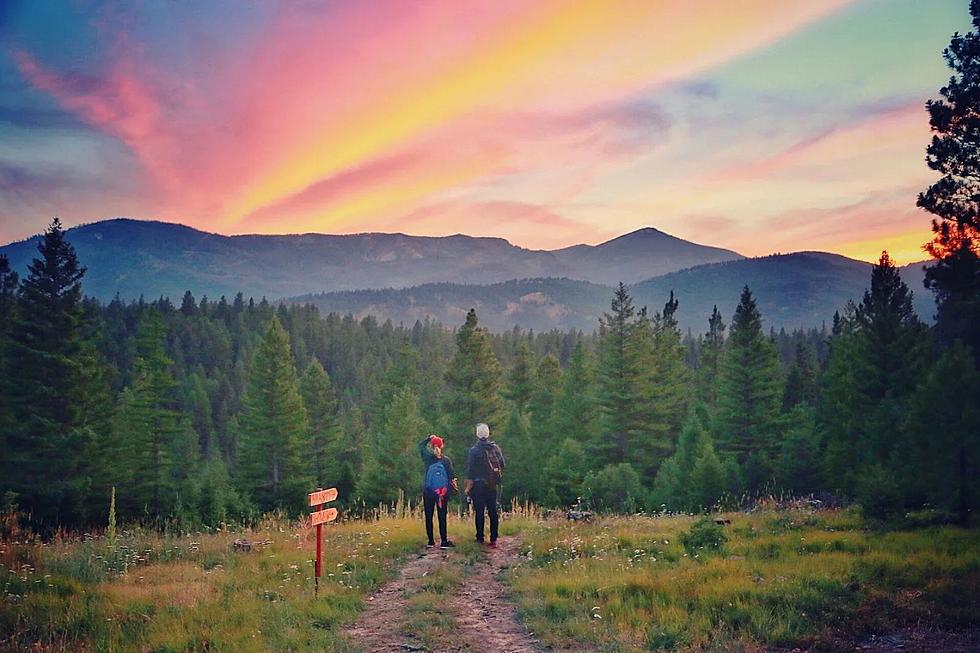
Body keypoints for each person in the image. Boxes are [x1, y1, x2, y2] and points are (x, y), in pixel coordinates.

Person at [464, 423, 506, 547]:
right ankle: (493, 538)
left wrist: (468, 487)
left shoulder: (474, 450)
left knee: (480, 512)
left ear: (477, 434)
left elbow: (470, 471)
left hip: (478, 485)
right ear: (488, 434)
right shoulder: (495, 448)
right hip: (492, 485)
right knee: (493, 511)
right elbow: (502, 464)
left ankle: (480, 538)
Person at [419, 434, 458, 549]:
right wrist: (453, 489)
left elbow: (420, 446)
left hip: (429, 491)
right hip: (442, 493)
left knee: (429, 515)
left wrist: (429, 438)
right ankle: (444, 541)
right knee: (442, 516)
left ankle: (431, 541)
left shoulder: (427, 458)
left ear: (431, 446)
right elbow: (451, 477)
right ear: (442, 446)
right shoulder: (446, 460)